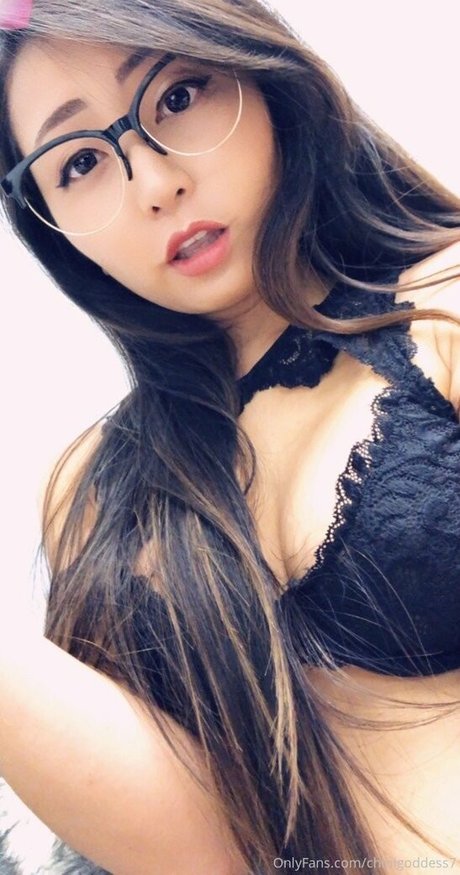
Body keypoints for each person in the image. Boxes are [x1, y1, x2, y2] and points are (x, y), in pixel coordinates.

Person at [1, 1, 460, 873]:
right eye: (81, 162)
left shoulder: (445, 308)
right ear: (47, 219)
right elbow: (203, 847)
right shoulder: (91, 491)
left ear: (257, 71)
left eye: (178, 97)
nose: (154, 184)